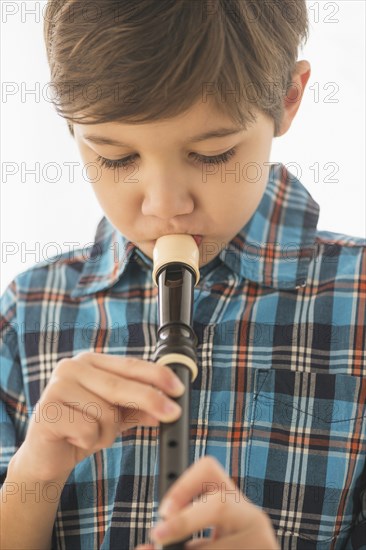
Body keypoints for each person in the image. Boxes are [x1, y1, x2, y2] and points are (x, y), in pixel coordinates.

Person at [0, 1, 365, 548]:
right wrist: (34, 477)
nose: (165, 206)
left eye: (212, 153)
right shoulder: (28, 311)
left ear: (289, 99)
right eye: (117, 157)